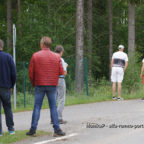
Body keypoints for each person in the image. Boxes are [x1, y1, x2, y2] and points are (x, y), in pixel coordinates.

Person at [26, 36, 66, 137]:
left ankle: (33, 130)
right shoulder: (57, 57)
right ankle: (57, 129)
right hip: (52, 85)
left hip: (39, 84)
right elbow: (61, 72)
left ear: (42, 44)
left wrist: (33, 83)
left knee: (37, 107)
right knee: (53, 106)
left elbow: (31, 73)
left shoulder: (35, 56)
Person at [0, 39, 17, 136]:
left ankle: (0, 132)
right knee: (7, 108)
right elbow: (13, 73)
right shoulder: (8, 57)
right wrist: (11, 85)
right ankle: (11, 129)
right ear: (2, 46)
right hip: (6, 86)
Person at [53, 45, 68, 124]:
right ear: (61, 52)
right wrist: (65, 66)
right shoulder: (60, 59)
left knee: (53, 99)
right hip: (60, 79)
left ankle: (52, 118)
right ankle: (59, 118)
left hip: (52, 80)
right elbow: (64, 73)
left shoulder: (51, 58)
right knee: (61, 99)